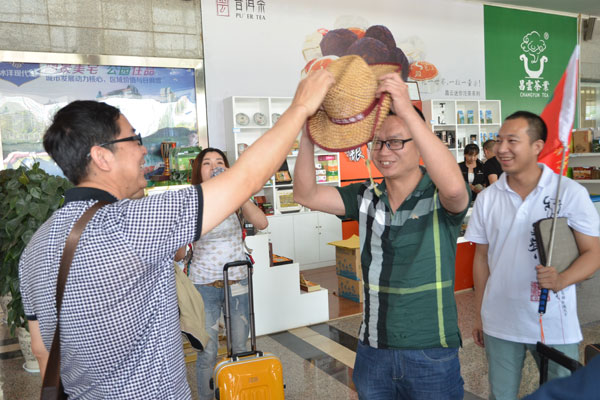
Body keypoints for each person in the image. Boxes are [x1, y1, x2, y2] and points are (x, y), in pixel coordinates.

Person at [18, 69, 334, 399]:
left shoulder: (37, 245)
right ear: (102, 156)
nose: (143, 150)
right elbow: (246, 179)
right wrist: (301, 107)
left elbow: (41, 350)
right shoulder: (133, 222)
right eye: (134, 139)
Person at [294, 63, 470, 398]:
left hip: (430, 350)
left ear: (419, 143)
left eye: (396, 142)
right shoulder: (365, 196)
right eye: (378, 143)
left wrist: (406, 107)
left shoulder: (437, 196)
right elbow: (306, 194)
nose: (384, 152)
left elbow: (455, 190)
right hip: (372, 350)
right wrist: (308, 134)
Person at [464, 111, 600, 400]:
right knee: (501, 395)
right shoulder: (488, 198)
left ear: (537, 146)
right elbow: (481, 259)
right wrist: (479, 314)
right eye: (499, 140)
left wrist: (562, 279)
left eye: (512, 140)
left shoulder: (569, 192)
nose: (502, 148)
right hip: (500, 322)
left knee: (563, 395)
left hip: (555, 324)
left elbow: (593, 253)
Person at [174, 148, 267, 400]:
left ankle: (239, 395)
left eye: (219, 162)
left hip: (237, 282)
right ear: (199, 171)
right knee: (207, 351)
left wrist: (238, 189)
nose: (214, 166)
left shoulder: (237, 197)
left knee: (240, 348)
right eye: (207, 163)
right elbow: (179, 254)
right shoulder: (191, 201)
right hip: (203, 286)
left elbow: (261, 223)